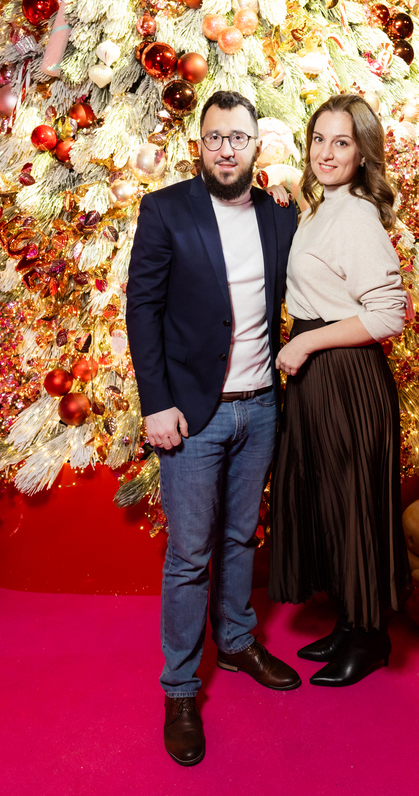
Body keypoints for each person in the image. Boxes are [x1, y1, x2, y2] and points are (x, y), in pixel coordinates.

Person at [126, 90, 300, 768]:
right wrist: (156, 403)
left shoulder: (279, 214)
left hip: (261, 407)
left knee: (239, 536)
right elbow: (143, 309)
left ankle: (236, 641)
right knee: (190, 553)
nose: (227, 149)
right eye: (215, 137)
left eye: (239, 138)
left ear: (257, 146)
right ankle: (179, 689)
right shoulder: (166, 209)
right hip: (193, 414)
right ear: (199, 144)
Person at [268, 93, 410, 687]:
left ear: (363, 153)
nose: (326, 153)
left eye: (342, 142)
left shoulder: (355, 216)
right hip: (321, 375)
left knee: (353, 504)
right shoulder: (322, 208)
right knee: (331, 500)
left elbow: (391, 313)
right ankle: (350, 622)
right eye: (319, 139)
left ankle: (371, 638)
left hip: (345, 375)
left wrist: (305, 344)